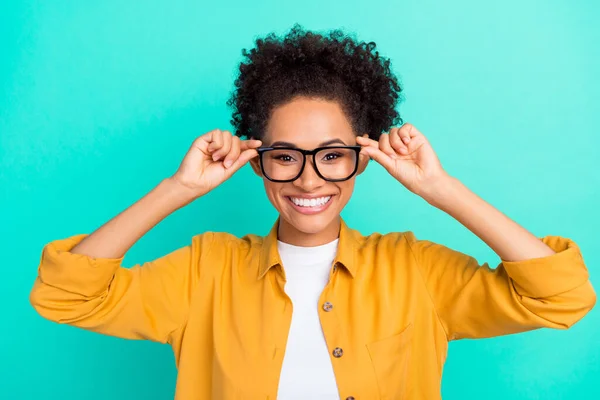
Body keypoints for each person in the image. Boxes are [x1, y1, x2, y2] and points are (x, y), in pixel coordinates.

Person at [30, 25, 596, 400]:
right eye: (284, 156)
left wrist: (440, 189)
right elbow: (66, 297)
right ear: (255, 160)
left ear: (363, 158)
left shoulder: (416, 271)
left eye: (331, 156)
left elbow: (561, 296)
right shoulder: (206, 271)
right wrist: (177, 189)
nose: (308, 178)